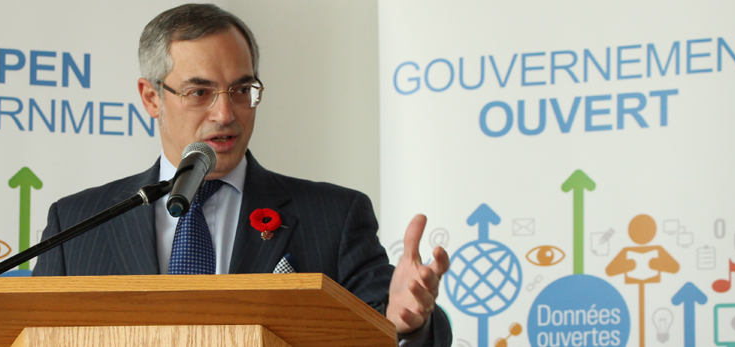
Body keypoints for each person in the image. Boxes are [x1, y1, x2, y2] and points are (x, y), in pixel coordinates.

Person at [33, 4, 452, 346]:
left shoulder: (334, 216)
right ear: (151, 98)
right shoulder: (77, 223)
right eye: (200, 92)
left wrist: (406, 323)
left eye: (241, 89)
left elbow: (386, 319)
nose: (225, 113)